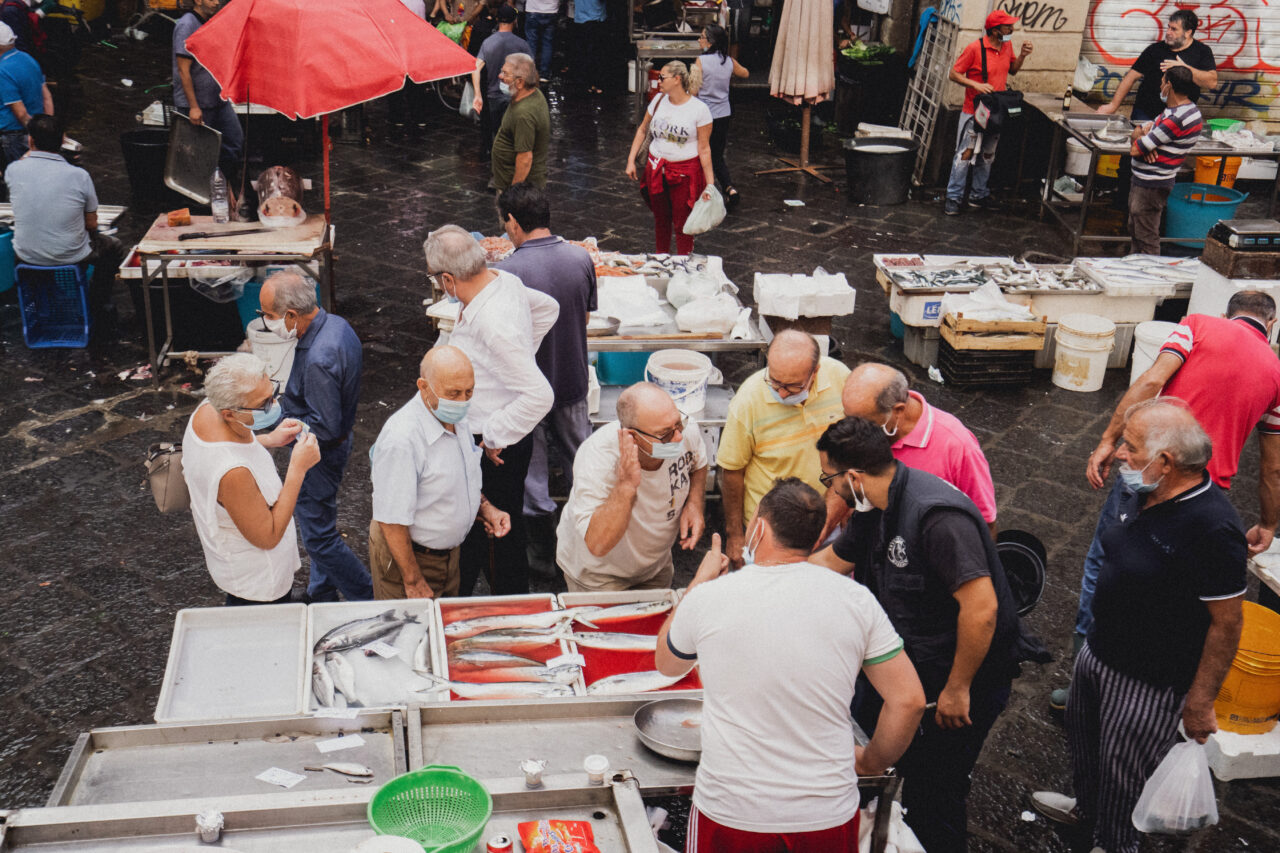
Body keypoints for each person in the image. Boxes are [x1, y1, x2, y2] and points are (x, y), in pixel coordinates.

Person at [656, 479, 926, 850]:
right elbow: (909, 701)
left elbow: (668, 663)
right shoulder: (855, 600)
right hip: (827, 811)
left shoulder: (710, 598)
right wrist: (870, 764)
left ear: (760, 528)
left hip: (733, 810)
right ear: (815, 538)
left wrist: (697, 583)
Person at [1032, 400, 1245, 853]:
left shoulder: (1214, 527)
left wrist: (1201, 700)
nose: (1120, 454)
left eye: (1129, 446)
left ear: (1165, 462)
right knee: (1086, 746)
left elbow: (1226, 625)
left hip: (1147, 679)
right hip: (1100, 651)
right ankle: (1086, 810)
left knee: (1123, 773)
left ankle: (1113, 843)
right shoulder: (1139, 491)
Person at [1052, 290, 1280, 709]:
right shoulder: (1277, 372)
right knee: (1171, 592)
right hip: (1204, 497)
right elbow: (1272, 465)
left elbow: (1152, 381)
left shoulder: (1197, 326)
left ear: (1227, 314)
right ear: (1270, 326)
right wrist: (1268, 524)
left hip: (1150, 468)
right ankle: (1139, 689)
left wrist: (1110, 439)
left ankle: (1083, 681)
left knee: (1104, 563)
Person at [811, 416, 1025, 853]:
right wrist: (761, 580)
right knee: (881, 762)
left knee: (935, 793)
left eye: (829, 479)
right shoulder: (873, 509)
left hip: (956, 681)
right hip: (911, 666)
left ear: (852, 476)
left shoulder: (935, 516)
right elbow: (834, 560)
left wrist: (958, 687)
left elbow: (982, 609)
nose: (830, 491)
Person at [424, 225, 558, 595]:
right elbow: (549, 308)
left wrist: (495, 434)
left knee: (497, 533)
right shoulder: (502, 280)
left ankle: (509, 606)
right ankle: (466, 597)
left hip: (494, 441)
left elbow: (539, 395)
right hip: (496, 430)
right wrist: (517, 356)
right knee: (479, 529)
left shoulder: (493, 322)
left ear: (448, 279)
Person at [259, 270, 372, 603]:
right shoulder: (337, 325)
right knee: (323, 520)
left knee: (318, 537)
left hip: (319, 454)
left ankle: (365, 595)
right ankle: (321, 592)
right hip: (338, 443)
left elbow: (324, 425)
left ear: (292, 315)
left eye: (269, 315)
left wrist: (283, 426)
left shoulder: (318, 360)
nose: (267, 322)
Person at [368, 346, 511, 599]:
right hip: (411, 561)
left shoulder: (458, 418)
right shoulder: (402, 440)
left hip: (449, 558)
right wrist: (412, 580)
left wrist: (485, 507)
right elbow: (391, 519)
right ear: (424, 387)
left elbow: (460, 477)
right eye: (453, 393)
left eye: (469, 392)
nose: (462, 401)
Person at [182, 353, 320, 605]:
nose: (275, 405)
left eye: (273, 393)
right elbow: (267, 536)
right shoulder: (233, 473)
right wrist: (298, 469)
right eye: (265, 403)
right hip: (258, 582)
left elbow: (235, 444)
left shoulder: (206, 409)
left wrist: (271, 439)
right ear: (230, 413)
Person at [494, 183, 596, 522]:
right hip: (572, 380)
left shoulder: (507, 273)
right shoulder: (581, 258)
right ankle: (589, 526)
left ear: (512, 222)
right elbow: (583, 319)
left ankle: (540, 547)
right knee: (583, 462)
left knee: (533, 477)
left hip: (528, 391)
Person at [716, 329, 849, 568]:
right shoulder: (748, 400)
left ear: (815, 372)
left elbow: (852, 450)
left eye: (793, 386)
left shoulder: (840, 378)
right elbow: (732, 471)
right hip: (771, 530)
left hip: (825, 519)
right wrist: (734, 534)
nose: (782, 392)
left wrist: (832, 518)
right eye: (775, 382)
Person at [556, 382, 708, 591]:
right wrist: (626, 485)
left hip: (654, 568)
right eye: (665, 434)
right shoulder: (598, 458)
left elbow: (697, 462)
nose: (678, 437)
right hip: (599, 577)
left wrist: (694, 503)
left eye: (679, 424)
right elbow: (598, 544)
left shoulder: (673, 441)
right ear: (633, 437)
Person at [839, 362, 997, 537]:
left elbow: (985, 522)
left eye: (863, 423)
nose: (853, 429)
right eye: (847, 417)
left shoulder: (958, 446)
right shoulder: (865, 422)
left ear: (898, 411)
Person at [6, 114, 124, 341]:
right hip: (71, 255)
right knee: (114, 246)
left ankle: (46, 302)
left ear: (30, 141)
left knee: (29, 242)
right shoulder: (79, 176)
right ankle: (99, 304)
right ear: (62, 141)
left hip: (26, 255)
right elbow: (91, 224)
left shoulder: (13, 170)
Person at [943, 10, 1032, 216]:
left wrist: (1023, 56)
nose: (1012, 29)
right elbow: (953, 73)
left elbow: (1013, 70)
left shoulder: (1007, 45)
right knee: (964, 155)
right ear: (995, 30)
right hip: (974, 111)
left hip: (996, 111)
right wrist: (975, 84)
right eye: (1008, 26)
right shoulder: (975, 48)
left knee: (988, 155)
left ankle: (978, 194)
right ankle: (953, 197)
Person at [624, 61, 715, 255]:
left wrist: (710, 184)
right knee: (661, 219)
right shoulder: (658, 101)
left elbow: (704, 148)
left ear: (677, 79)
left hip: (684, 173)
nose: (658, 81)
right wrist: (631, 159)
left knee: (683, 223)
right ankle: (661, 258)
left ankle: (683, 264)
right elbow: (642, 130)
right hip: (656, 168)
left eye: (662, 77)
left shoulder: (699, 110)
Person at [1125, 65, 1203, 255]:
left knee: (1146, 235)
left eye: (1162, 83)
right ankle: (1135, 269)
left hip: (1151, 184)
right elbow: (1143, 131)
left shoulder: (1176, 118)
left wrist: (1141, 139)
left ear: (1169, 86)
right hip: (1146, 180)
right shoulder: (1186, 110)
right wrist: (1142, 138)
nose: (1160, 87)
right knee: (1135, 228)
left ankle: (1150, 275)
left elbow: (1135, 149)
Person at [1097, 10, 1217, 123]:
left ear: (1188, 32)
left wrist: (1186, 68)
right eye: (1168, 27)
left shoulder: (1202, 52)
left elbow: (1211, 82)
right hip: (1146, 113)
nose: (1168, 32)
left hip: (1178, 117)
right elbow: (1131, 77)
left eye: (1174, 29)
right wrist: (1113, 105)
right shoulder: (1155, 50)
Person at [173, 0, 244, 174]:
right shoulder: (186, 25)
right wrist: (194, 107)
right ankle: (201, 194)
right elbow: (183, 71)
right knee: (198, 153)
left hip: (217, 99)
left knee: (234, 141)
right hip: (198, 104)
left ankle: (221, 184)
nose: (216, 3)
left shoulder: (212, 21)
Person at [693, 25, 748, 206]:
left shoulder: (701, 61)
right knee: (716, 154)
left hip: (704, 115)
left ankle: (700, 190)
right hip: (723, 113)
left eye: (702, 37)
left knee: (700, 151)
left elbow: (693, 90)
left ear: (710, 42)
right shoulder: (728, 61)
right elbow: (745, 73)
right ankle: (729, 188)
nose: (700, 40)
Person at [470, 5, 530, 155]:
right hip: (516, 95)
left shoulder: (488, 43)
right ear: (514, 21)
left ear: (498, 20)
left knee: (497, 131)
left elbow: (476, 68)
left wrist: (477, 94)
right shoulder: (521, 44)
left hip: (493, 95)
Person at [491, 53, 550, 192]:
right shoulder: (532, 93)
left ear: (519, 82)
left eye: (505, 74)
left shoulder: (523, 115)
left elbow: (525, 158)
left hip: (519, 190)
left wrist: (513, 194)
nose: (500, 76)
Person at [0, 21, 50, 166]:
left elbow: (20, 113)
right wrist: (48, 130)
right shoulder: (27, 58)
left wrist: (37, 136)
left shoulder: (2, 70)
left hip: (13, 135)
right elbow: (47, 97)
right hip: (34, 126)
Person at [573, 0, 605, 93]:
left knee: (582, 53)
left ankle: (584, 84)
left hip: (580, 18)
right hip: (595, 18)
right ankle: (594, 83)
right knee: (595, 54)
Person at [523, 0, 557, 85]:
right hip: (551, 10)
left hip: (532, 9)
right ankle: (544, 74)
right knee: (548, 43)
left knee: (531, 43)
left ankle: (530, 72)